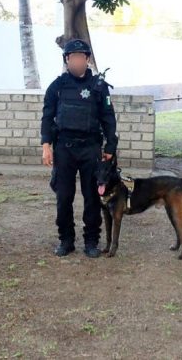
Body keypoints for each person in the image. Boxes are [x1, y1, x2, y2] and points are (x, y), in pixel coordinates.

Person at [41, 39, 118, 258]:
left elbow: (108, 118)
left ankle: (91, 241)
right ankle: (66, 240)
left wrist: (110, 146)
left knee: (92, 197)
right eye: (72, 57)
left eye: (80, 57)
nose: (76, 60)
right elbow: (47, 116)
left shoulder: (99, 87)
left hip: (90, 148)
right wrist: (46, 145)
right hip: (64, 148)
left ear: (87, 59)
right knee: (64, 197)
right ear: (67, 60)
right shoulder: (57, 86)